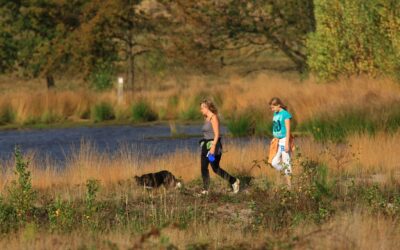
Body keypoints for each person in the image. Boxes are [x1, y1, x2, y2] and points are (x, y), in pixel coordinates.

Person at [199, 99, 240, 194]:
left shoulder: (214, 118)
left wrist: (213, 148)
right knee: (203, 167)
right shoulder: (206, 118)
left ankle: (234, 181)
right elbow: (207, 133)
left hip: (213, 147)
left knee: (215, 168)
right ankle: (206, 189)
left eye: (202, 108)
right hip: (205, 147)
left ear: (207, 107)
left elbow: (217, 134)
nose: (201, 110)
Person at [268, 97, 293, 187]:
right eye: (271, 108)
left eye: (273, 107)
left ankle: (289, 186)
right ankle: (287, 174)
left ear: (278, 105)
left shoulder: (285, 114)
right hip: (278, 141)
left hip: (284, 140)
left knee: (286, 162)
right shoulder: (276, 113)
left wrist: (287, 143)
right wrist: (274, 137)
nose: (272, 109)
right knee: (274, 162)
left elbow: (288, 129)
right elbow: (276, 126)